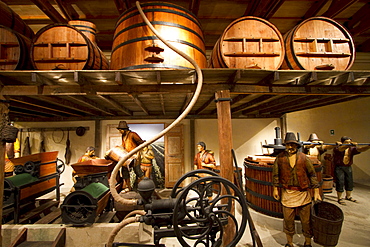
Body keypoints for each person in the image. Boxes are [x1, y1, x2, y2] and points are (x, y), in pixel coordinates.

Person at [272, 132, 321, 247]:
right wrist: (275, 189)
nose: (290, 147)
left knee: (306, 221)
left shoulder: (304, 158)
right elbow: (275, 175)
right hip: (288, 194)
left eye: (292, 145)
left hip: (303, 193)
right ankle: (289, 242)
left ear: (297, 146)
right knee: (288, 221)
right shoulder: (280, 158)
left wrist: (316, 191)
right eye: (288, 145)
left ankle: (308, 242)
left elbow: (312, 175)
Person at [333, 136, 370, 205]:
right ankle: (339, 198)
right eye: (346, 142)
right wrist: (348, 145)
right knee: (340, 181)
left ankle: (348, 196)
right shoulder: (338, 147)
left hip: (348, 167)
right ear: (342, 142)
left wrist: (368, 146)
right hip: (339, 167)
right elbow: (341, 149)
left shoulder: (351, 149)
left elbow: (361, 149)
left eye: (349, 142)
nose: (349, 144)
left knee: (349, 181)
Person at [116, 120, 145, 191]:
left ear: (124, 129)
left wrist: (138, 154)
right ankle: (128, 187)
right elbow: (123, 145)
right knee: (124, 171)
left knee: (138, 171)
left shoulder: (133, 134)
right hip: (126, 157)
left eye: (120, 130)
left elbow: (141, 144)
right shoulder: (123, 135)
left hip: (134, 156)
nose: (119, 131)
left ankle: (144, 186)